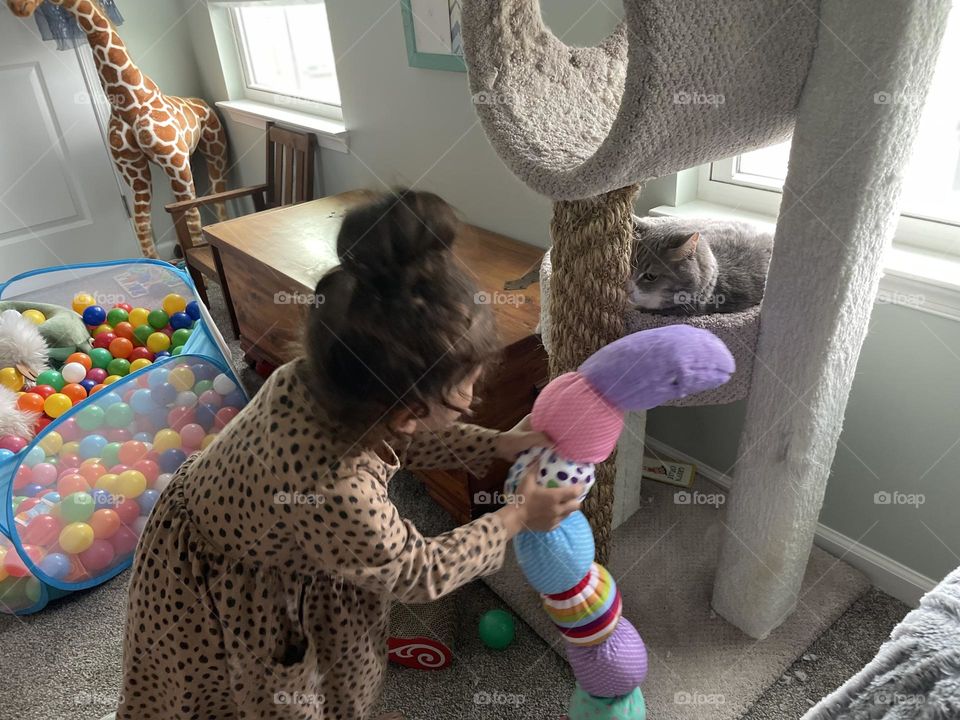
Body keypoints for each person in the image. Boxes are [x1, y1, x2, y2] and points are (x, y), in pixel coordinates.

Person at [115, 189, 581, 719]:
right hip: (238, 580)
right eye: (467, 386)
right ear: (405, 406)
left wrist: (499, 443)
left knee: (345, 657)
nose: (474, 395)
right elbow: (416, 571)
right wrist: (515, 517)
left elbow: (407, 438)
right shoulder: (336, 489)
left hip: (269, 529)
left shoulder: (321, 382)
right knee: (263, 695)